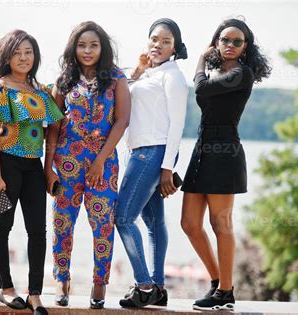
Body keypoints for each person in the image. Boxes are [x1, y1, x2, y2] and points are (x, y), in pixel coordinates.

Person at [180, 18, 271, 311]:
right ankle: (219, 282)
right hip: (202, 146)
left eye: (237, 41)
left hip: (225, 149)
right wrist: (207, 65)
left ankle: (226, 291)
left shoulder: (242, 74)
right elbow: (204, 89)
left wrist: (199, 60)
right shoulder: (217, 72)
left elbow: (201, 90)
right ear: (216, 42)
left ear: (245, 48)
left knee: (220, 224)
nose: (230, 45)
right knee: (190, 224)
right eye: (225, 40)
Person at [0, 29, 64, 315]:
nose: (23, 58)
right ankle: (6, 289)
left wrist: (49, 173)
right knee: (4, 225)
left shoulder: (40, 91)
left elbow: (52, 136)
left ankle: (35, 293)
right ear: (6, 57)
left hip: (33, 165)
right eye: (17, 53)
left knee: (38, 230)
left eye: (28, 52)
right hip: (5, 164)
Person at [44, 21, 131, 309]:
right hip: (66, 162)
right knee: (62, 223)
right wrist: (49, 167)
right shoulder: (64, 81)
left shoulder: (117, 78)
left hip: (103, 166)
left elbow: (122, 121)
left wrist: (100, 161)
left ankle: (99, 283)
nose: (88, 50)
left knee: (103, 225)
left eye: (93, 45)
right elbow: (53, 126)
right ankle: (61, 279)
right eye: (82, 45)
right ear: (74, 48)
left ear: (103, 48)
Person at [114, 18, 189, 308]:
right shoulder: (148, 74)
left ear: (175, 48)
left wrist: (168, 167)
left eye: (166, 41)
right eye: (154, 39)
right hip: (141, 152)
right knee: (153, 221)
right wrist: (138, 70)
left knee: (122, 217)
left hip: (152, 152)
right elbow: (125, 95)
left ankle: (144, 284)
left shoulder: (173, 76)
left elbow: (177, 125)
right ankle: (157, 287)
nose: (158, 45)